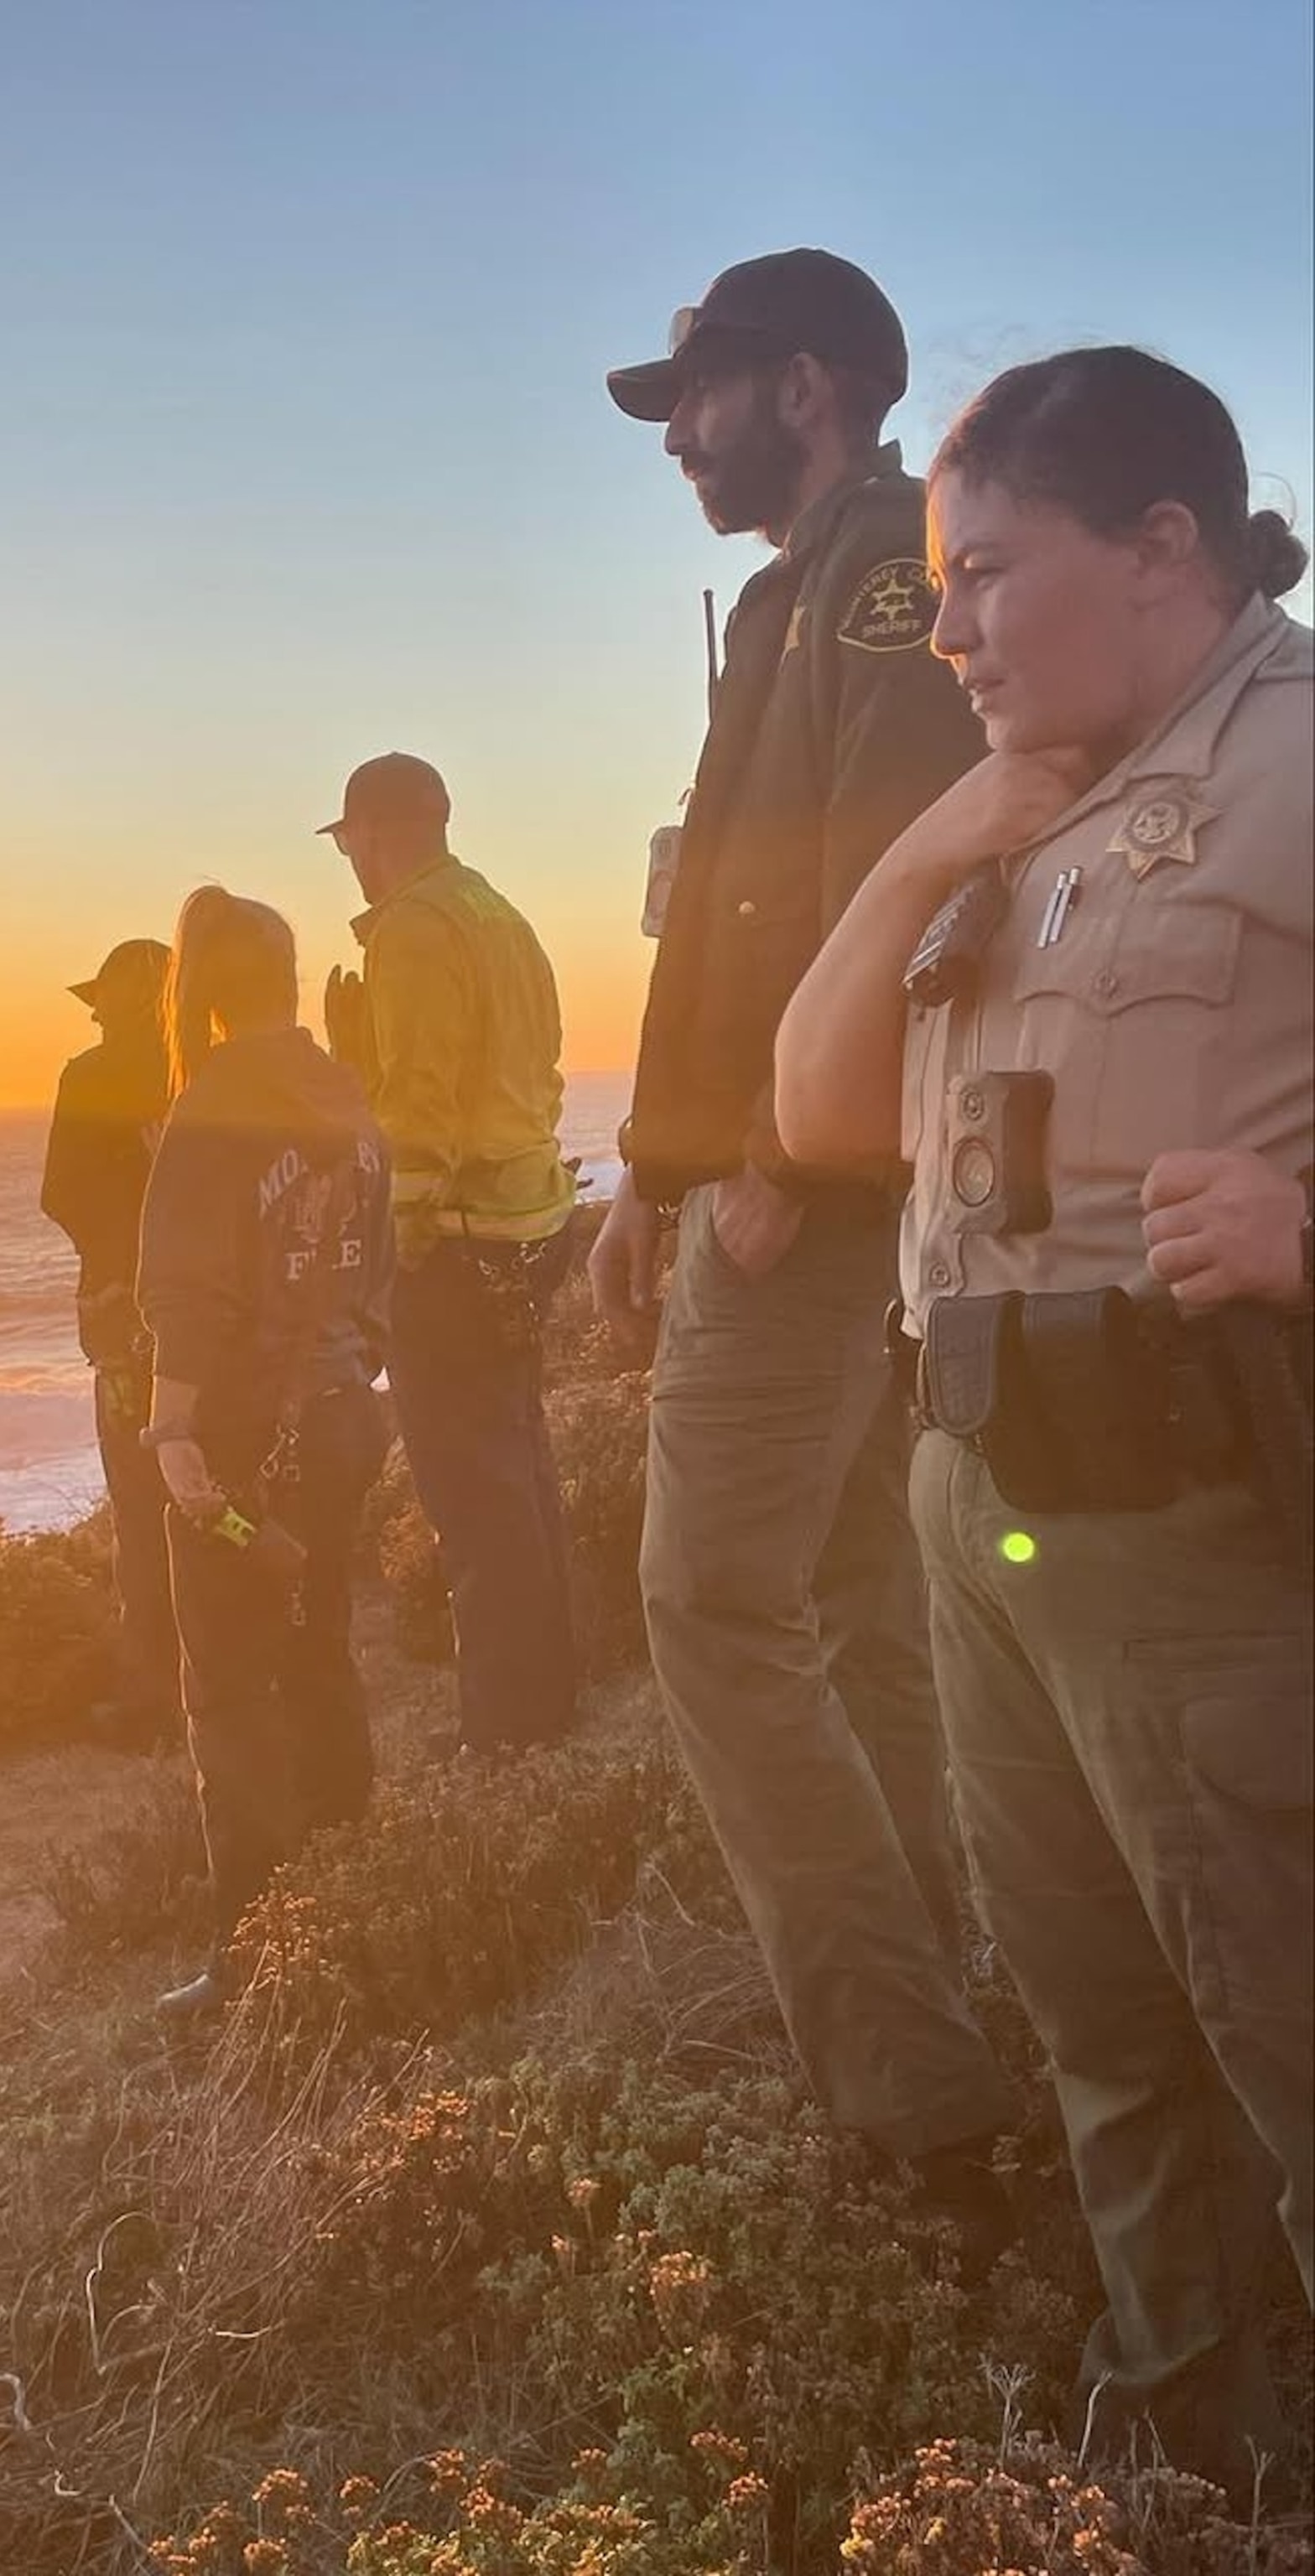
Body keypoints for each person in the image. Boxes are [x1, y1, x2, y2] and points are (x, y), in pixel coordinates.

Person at [775, 345, 1312, 2491]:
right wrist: (918, 853)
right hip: (982, 1504)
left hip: (1193, 1520)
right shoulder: (1020, 806)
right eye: (935, 585)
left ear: (1162, 544)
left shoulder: (1294, 759)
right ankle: (1203, 2434)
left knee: (1286, 2015)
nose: (954, 626)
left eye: (988, 571)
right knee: (1098, 2017)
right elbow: (821, 1119)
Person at [594, 249, 1018, 2226]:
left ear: (815, 382)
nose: (678, 432)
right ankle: (951, 2012)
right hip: (771, 1174)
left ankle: (914, 2101)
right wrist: (647, 1165)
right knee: (848, 1603)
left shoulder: (875, 573)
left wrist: (771, 1153)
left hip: (811, 1189)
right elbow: (736, 914)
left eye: (705, 390)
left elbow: (890, 886)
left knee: (712, 1607)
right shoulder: (795, 588)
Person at [138, 888, 394, 2012]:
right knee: (320, 1646)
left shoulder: (215, 1110)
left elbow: (190, 1295)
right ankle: (363, 1903)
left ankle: (258, 1956)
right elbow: (382, 1258)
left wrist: (172, 1429)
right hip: (343, 1414)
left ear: (200, 991)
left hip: (247, 1439)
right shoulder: (348, 1094)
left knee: (231, 1688)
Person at [318, 752, 578, 1753]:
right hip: (528, 1220)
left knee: (469, 1493)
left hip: (459, 1239)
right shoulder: (499, 915)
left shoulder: (414, 931)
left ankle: (509, 1730)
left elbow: (419, 1115)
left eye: (350, 842)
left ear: (374, 834)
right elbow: (536, 1075)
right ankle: (547, 1698)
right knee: (518, 1467)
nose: (351, 862)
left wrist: (391, 1259)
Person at [40, 938, 177, 1743]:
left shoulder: (88, 1078)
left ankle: (153, 1693)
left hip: (123, 1317)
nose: (91, 1015)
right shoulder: (206, 1068)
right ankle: (227, 1663)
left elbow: (60, 1192)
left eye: (100, 1002)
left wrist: (113, 1263)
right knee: (212, 1484)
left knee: (138, 1498)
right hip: (207, 1311)